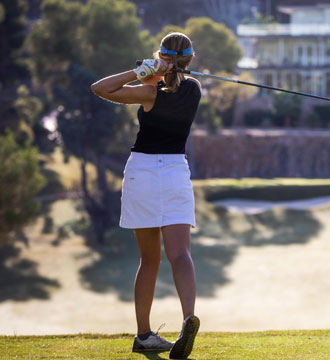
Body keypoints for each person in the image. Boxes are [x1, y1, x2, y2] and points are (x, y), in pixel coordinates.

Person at [91, 32, 201, 359]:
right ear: (190, 61)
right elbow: (177, 83)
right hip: (176, 173)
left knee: (149, 259)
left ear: (161, 56)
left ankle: (143, 335)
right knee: (180, 254)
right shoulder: (194, 89)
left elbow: (100, 88)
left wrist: (141, 72)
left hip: (143, 173)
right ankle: (188, 318)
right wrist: (164, 70)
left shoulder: (149, 92)